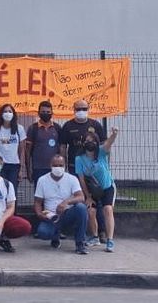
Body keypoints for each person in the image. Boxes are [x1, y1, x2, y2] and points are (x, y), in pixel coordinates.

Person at [59, 99, 107, 243]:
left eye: (84, 108)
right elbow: (62, 147)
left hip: (92, 170)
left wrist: (102, 167)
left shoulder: (95, 125)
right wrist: (63, 165)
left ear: (88, 109)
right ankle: (78, 229)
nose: (81, 111)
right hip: (74, 168)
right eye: (78, 108)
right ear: (73, 109)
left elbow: (104, 148)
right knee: (77, 199)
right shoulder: (68, 126)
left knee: (96, 200)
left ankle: (101, 231)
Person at [34, 154, 89, 254]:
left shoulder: (72, 179)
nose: (58, 168)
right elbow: (38, 202)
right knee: (43, 232)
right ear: (50, 165)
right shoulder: (42, 180)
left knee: (81, 208)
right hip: (51, 216)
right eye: (55, 165)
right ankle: (55, 237)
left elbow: (81, 197)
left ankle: (80, 244)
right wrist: (40, 214)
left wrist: (66, 202)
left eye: (61, 165)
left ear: (65, 166)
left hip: (67, 214)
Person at [75, 128, 119, 252]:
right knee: (91, 211)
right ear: (83, 143)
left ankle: (110, 240)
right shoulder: (79, 159)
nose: (90, 143)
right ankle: (95, 237)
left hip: (107, 186)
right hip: (92, 190)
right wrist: (88, 196)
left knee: (107, 209)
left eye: (93, 141)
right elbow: (82, 179)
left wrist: (114, 134)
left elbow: (108, 143)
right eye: (87, 140)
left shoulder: (101, 152)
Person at [0, 104, 27, 197]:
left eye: (10, 111)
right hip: (0, 165)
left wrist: (21, 169)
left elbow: (22, 151)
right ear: (1, 114)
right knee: (0, 191)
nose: (7, 113)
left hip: (14, 165)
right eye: (5, 111)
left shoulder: (19, 129)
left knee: (12, 192)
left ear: (13, 114)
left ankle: (12, 211)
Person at [26, 101, 62, 187]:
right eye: (43, 112)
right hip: (38, 169)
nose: (45, 114)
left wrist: (62, 167)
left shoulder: (57, 128)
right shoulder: (33, 128)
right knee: (39, 196)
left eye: (48, 112)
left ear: (52, 113)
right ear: (38, 113)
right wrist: (28, 170)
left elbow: (62, 149)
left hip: (55, 168)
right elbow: (27, 151)